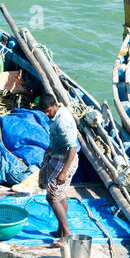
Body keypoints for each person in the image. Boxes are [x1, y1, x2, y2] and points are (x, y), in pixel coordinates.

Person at [40, 95, 80, 248]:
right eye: (44, 112)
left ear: (55, 106)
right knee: (59, 193)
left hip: (66, 160)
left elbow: (73, 148)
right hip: (58, 155)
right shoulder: (57, 115)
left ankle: (67, 233)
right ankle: (61, 229)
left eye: (48, 111)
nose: (47, 115)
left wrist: (64, 172)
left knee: (53, 196)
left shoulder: (62, 121)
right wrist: (50, 149)